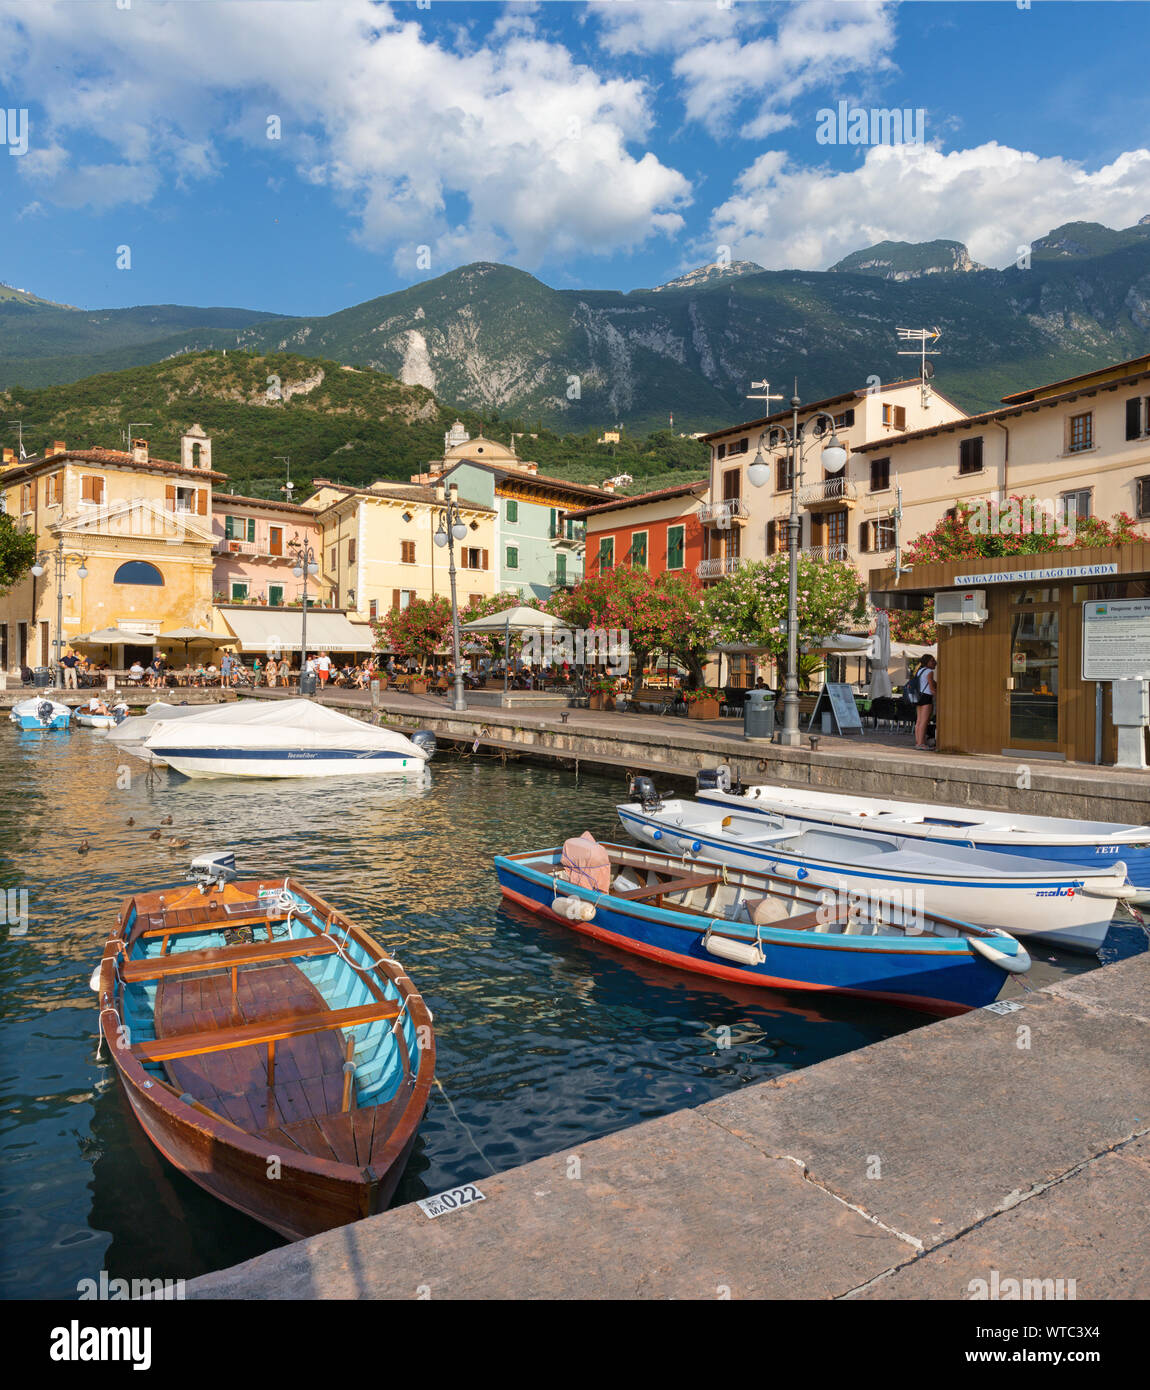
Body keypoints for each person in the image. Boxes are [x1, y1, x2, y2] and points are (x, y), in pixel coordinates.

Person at [912, 655, 937, 750]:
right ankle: (921, 743)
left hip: (919, 697)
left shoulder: (919, 671)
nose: (934, 662)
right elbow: (931, 689)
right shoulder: (930, 672)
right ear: (927, 662)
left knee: (918, 721)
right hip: (926, 697)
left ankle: (918, 742)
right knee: (924, 721)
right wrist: (938, 697)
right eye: (932, 661)